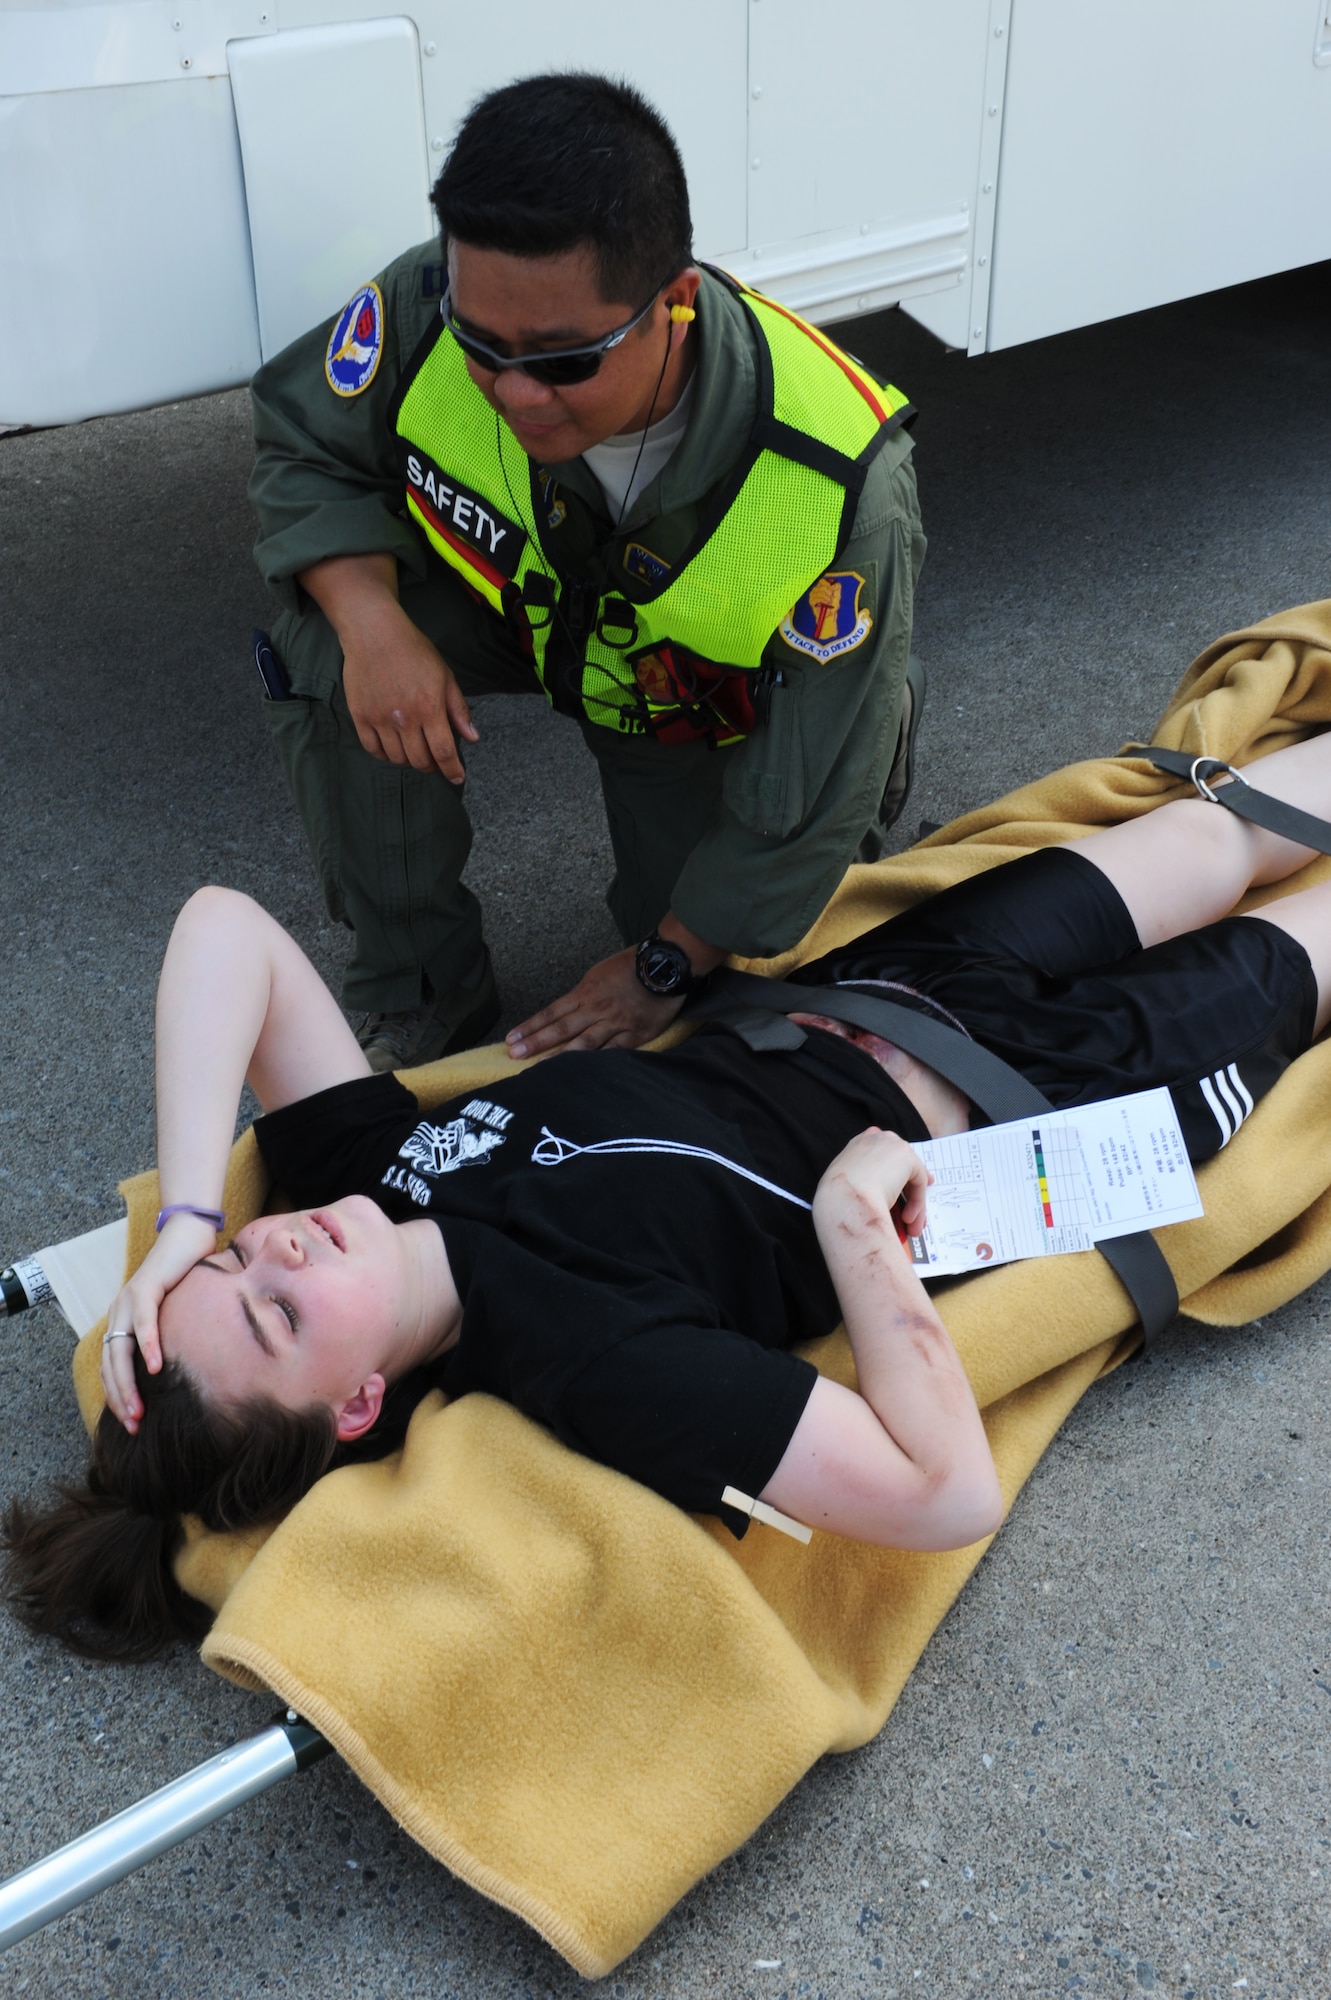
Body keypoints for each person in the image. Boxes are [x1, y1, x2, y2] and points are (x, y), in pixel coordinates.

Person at [10, 734, 1331, 1662]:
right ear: (359, 1403)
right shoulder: (588, 1359)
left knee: (1218, 832)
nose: (279, 1249)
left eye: (240, 1266)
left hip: (883, 985)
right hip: (1052, 1098)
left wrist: (184, 1221)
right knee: (1292, 949)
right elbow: (941, 1495)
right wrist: (851, 1228)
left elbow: (223, 926)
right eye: (281, 1317)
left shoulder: (350, 1174)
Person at [249, 72, 926, 1073]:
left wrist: (666, 961)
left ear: (675, 305)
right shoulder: (430, 298)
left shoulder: (836, 483)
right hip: (527, 609)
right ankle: (420, 986)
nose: (513, 392)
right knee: (320, 633)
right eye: (483, 347)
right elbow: (305, 441)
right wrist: (373, 626)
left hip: (698, 697)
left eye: (563, 359)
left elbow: (805, 793)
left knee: (722, 986)